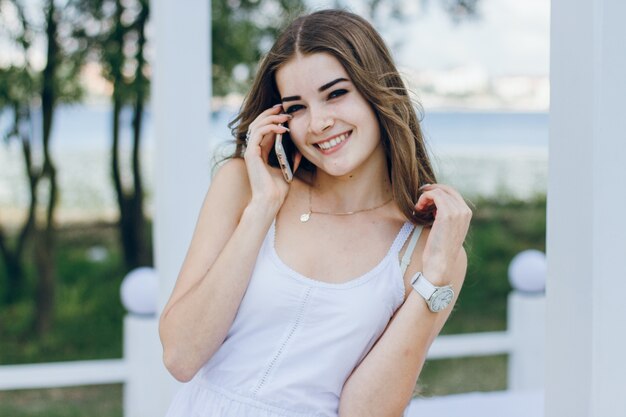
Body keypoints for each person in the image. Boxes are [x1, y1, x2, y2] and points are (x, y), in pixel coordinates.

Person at [159, 8, 471, 417]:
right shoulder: (243, 187)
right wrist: (262, 211)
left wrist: (434, 278)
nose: (320, 122)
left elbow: (365, 412)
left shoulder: (429, 250)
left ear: (376, 92)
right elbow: (182, 356)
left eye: (336, 93)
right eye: (297, 107)